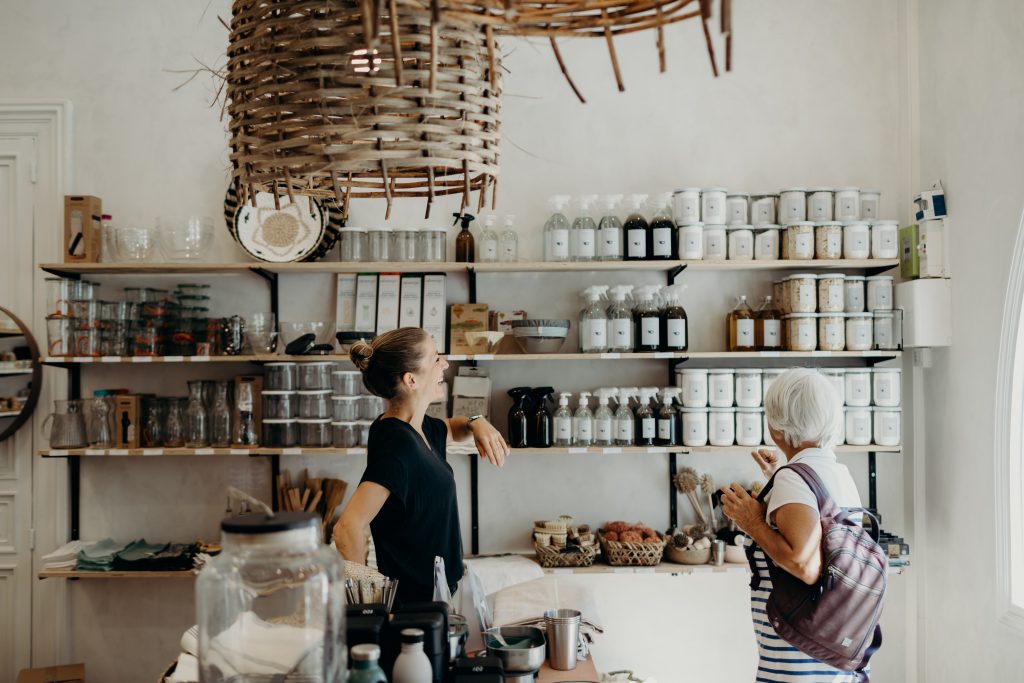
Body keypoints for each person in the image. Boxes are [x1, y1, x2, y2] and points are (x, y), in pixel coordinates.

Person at [333, 327, 508, 606]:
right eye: (436, 358)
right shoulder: (397, 445)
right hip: (414, 608)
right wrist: (368, 603)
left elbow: (452, 427)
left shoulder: (416, 427)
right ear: (411, 379)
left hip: (438, 596)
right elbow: (347, 528)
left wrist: (476, 421)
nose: (445, 364)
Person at [720, 368, 867, 682]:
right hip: (836, 642)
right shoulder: (839, 472)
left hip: (799, 651)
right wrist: (780, 476)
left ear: (776, 426)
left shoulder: (794, 478)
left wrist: (752, 521)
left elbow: (803, 564)